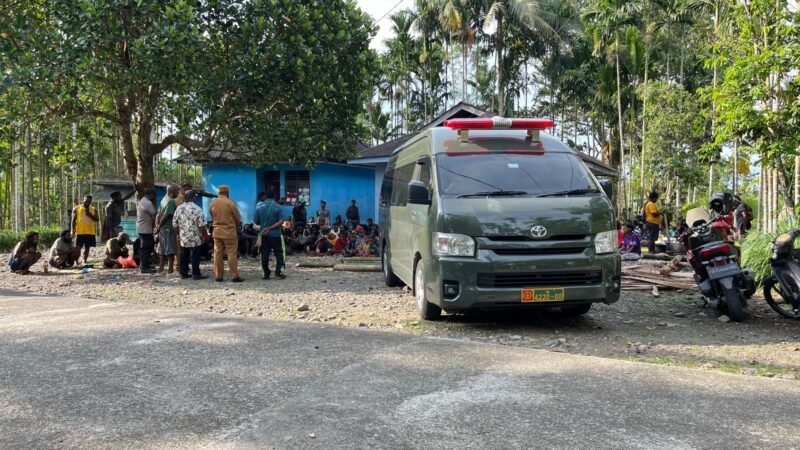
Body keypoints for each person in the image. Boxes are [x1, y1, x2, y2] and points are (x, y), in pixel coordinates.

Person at [209, 185, 243, 282]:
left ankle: (218, 276)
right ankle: (234, 275)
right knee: (231, 253)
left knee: (217, 254)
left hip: (217, 232)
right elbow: (237, 218)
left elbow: (212, 216)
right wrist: (237, 229)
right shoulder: (230, 203)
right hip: (229, 232)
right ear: (227, 193)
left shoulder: (212, 203)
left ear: (218, 193)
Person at [173, 190, 209, 280]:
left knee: (184, 254)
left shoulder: (179, 208)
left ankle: (183, 273)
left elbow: (174, 223)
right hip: (195, 236)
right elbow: (201, 225)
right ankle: (196, 274)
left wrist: (178, 234)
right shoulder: (197, 209)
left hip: (183, 236)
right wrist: (202, 235)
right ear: (194, 198)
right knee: (195, 255)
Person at [254, 189, 286, 280]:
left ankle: (266, 273)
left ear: (265, 196)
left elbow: (255, 221)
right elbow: (281, 221)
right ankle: (278, 272)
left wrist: (264, 227)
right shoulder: (278, 207)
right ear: (275, 196)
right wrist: (271, 228)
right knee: (279, 253)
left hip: (264, 235)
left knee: (264, 254)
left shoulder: (259, 208)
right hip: (276, 234)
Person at [155, 184, 179, 274]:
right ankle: (170, 270)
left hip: (162, 230)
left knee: (162, 250)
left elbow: (158, 215)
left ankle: (161, 269)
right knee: (170, 251)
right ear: (172, 192)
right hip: (168, 228)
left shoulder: (163, 200)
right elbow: (167, 215)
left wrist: (157, 226)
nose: (178, 193)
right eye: (177, 191)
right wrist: (159, 226)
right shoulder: (170, 202)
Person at [72, 194, 99, 265]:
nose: (88, 202)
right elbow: (73, 220)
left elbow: (97, 220)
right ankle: (76, 261)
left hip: (90, 232)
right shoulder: (77, 208)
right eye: (86, 200)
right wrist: (72, 230)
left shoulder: (93, 209)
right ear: (83, 200)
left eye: (89, 201)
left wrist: (90, 214)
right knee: (78, 247)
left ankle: (85, 260)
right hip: (80, 232)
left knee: (87, 247)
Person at [136, 189, 158, 273]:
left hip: (144, 227)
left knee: (148, 246)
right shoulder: (147, 203)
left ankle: (145, 264)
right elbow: (154, 212)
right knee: (146, 247)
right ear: (151, 195)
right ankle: (144, 266)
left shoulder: (143, 201)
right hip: (144, 228)